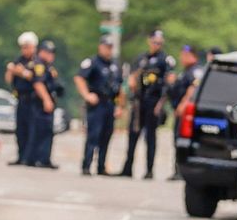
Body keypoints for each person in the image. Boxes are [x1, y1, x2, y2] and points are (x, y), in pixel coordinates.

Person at [119, 29, 176, 180]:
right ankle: (127, 168)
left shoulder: (165, 60)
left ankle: (149, 170)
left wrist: (161, 104)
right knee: (133, 134)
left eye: (159, 42)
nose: (156, 44)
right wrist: (131, 81)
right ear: (149, 41)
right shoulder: (141, 58)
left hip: (154, 102)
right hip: (139, 102)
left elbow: (169, 83)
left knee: (150, 138)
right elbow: (132, 77)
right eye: (154, 42)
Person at [75, 35, 122, 176]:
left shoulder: (115, 65)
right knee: (93, 135)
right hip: (97, 104)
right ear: (100, 47)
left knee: (106, 136)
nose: (108, 50)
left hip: (110, 104)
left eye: (110, 47)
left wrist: (119, 106)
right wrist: (87, 95)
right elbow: (79, 78)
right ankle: (86, 165)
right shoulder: (93, 62)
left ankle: (101, 167)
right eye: (106, 47)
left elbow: (120, 88)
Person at [22, 39, 60, 168]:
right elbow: (38, 83)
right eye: (48, 52)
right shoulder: (39, 65)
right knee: (38, 131)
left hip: (46, 102)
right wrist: (46, 100)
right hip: (39, 104)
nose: (51, 55)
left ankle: (44, 158)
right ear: (42, 52)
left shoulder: (49, 67)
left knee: (47, 132)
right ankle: (35, 158)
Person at [167, 45, 202, 181]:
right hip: (179, 112)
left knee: (182, 141)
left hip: (186, 113)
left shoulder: (195, 71)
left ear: (191, 55)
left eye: (184, 55)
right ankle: (177, 170)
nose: (181, 58)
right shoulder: (185, 71)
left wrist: (183, 105)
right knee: (176, 140)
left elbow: (193, 88)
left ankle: (181, 171)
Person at [5, 32, 38, 165]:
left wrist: (21, 72)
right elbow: (8, 79)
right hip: (21, 99)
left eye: (27, 47)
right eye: (23, 47)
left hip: (33, 99)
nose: (24, 50)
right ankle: (21, 155)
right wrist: (10, 70)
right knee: (21, 130)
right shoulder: (18, 60)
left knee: (31, 129)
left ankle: (29, 157)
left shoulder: (37, 61)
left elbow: (33, 77)